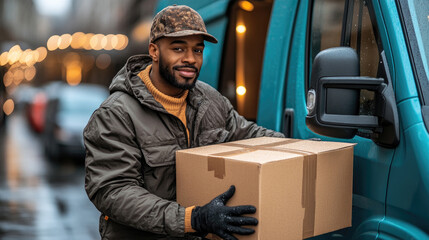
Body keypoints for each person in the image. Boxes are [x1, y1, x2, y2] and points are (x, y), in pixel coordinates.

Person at [83, 4, 284, 240]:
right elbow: (113, 191)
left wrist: (303, 148)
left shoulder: (210, 100)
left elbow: (249, 134)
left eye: (197, 50)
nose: (190, 59)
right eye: (178, 49)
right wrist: (193, 219)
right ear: (154, 51)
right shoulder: (116, 114)